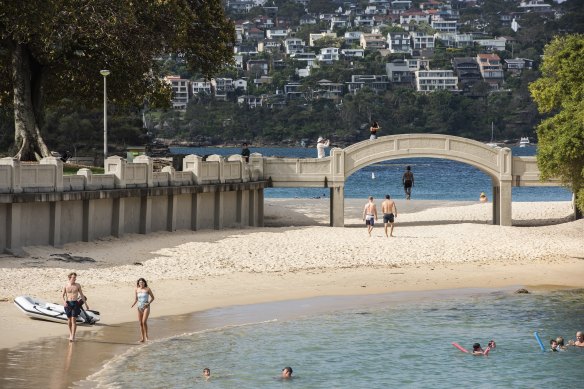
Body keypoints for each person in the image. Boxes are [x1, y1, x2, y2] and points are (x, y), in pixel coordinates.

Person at [62, 272, 86, 342]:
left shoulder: (78, 285)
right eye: (73, 277)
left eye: (75, 277)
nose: (75, 279)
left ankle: (73, 335)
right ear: (70, 278)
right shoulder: (66, 286)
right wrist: (64, 302)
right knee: (69, 320)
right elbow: (62, 295)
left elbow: (81, 294)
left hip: (75, 303)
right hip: (68, 303)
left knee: (73, 320)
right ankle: (70, 333)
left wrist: (86, 304)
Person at [131, 278, 155, 342]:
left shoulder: (147, 289)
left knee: (144, 322)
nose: (141, 283)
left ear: (144, 283)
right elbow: (136, 299)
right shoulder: (136, 289)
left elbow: (153, 298)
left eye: (142, 282)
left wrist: (148, 303)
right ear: (138, 283)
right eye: (140, 282)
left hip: (146, 307)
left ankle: (147, 337)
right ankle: (142, 338)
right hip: (139, 307)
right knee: (140, 323)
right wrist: (133, 304)